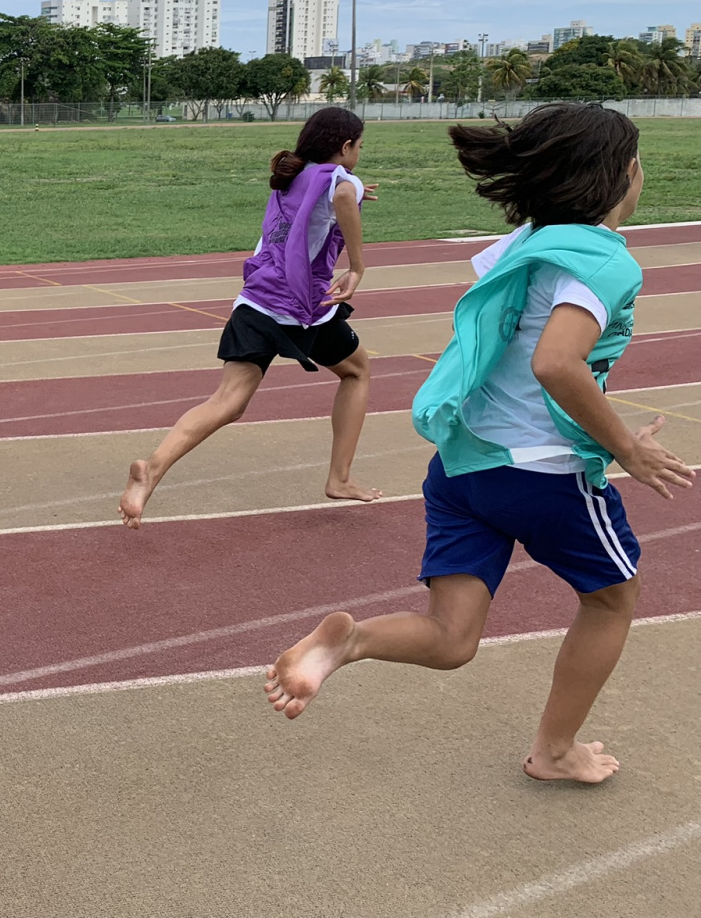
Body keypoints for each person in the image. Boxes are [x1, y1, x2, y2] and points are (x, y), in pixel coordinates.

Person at [264, 103, 694, 784]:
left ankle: (350, 642)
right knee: (612, 597)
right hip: (542, 476)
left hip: (464, 467)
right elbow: (557, 364)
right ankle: (554, 751)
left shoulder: (530, 243)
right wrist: (625, 448)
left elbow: (527, 360)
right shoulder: (606, 262)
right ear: (625, 174)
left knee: (452, 637)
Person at [118, 107, 381, 527]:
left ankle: (153, 468)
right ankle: (340, 477)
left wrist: (353, 189)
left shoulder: (294, 175)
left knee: (227, 402)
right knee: (358, 372)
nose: (360, 154)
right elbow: (343, 196)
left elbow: (327, 203)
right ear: (345, 147)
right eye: (360, 147)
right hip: (301, 306)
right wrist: (358, 267)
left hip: (257, 298)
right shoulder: (338, 179)